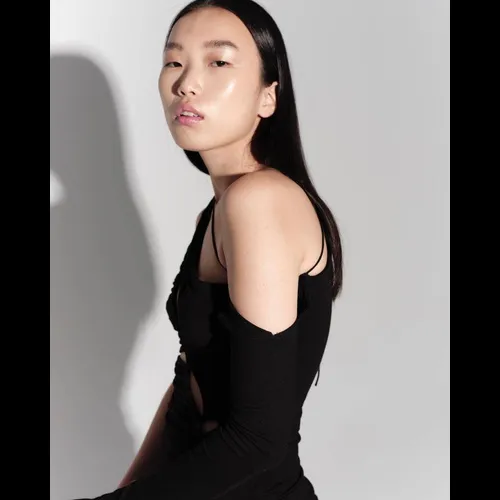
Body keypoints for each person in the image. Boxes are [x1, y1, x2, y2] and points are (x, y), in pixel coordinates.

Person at [73, 0, 343, 498]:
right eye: (174, 61)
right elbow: (191, 382)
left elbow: (260, 442)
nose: (186, 83)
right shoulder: (220, 212)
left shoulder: (259, 201)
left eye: (218, 61)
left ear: (268, 97)